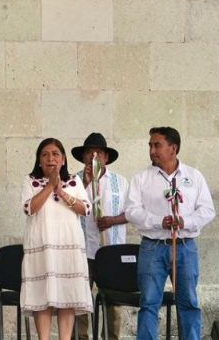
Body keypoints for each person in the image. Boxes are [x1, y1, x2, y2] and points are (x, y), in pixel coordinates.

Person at [125, 127, 215, 340]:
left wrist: (185, 221)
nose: (152, 150)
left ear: (173, 148)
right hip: (152, 246)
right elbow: (131, 211)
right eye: (150, 145)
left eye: (157, 145)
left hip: (185, 246)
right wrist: (159, 221)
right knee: (148, 303)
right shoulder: (141, 178)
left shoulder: (194, 176)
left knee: (189, 303)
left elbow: (207, 210)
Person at [20, 138, 92, 340]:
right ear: (39, 160)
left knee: (66, 295)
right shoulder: (30, 180)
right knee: (42, 295)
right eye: (45, 154)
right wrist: (49, 186)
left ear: (63, 159)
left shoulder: (74, 181)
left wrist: (60, 190)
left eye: (55, 154)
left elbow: (85, 209)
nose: (50, 158)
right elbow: (29, 208)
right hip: (41, 246)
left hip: (68, 247)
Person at [71, 133, 127, 340]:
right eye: (89, 152)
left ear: (106, 158)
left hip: (111, 251)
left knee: (113, 304)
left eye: (99, 153)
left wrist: (113, 220)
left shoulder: (120, 182)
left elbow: (132, 213)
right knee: (80, 302)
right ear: (83, 157)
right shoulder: (73, 181)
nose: (94, 156)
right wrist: (85, 183)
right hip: (82, 250)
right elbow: (68, 210)